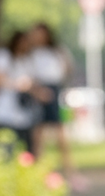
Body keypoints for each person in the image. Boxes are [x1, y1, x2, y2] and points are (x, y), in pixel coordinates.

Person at [30, 22, 79, 178]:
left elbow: (68, 68)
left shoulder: (57, 51)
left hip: (54, 90)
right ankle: (38, 169)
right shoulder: (32, 52)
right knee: (38, 133)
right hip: (39, 89)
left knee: (60, 131)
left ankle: (69, 169)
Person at [0, 29, 39, 153]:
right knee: (4, 150)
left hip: (24, 114)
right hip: (4, 113)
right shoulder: (3, 56)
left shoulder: (27, 60)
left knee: (24, 151)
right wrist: (17, 84)